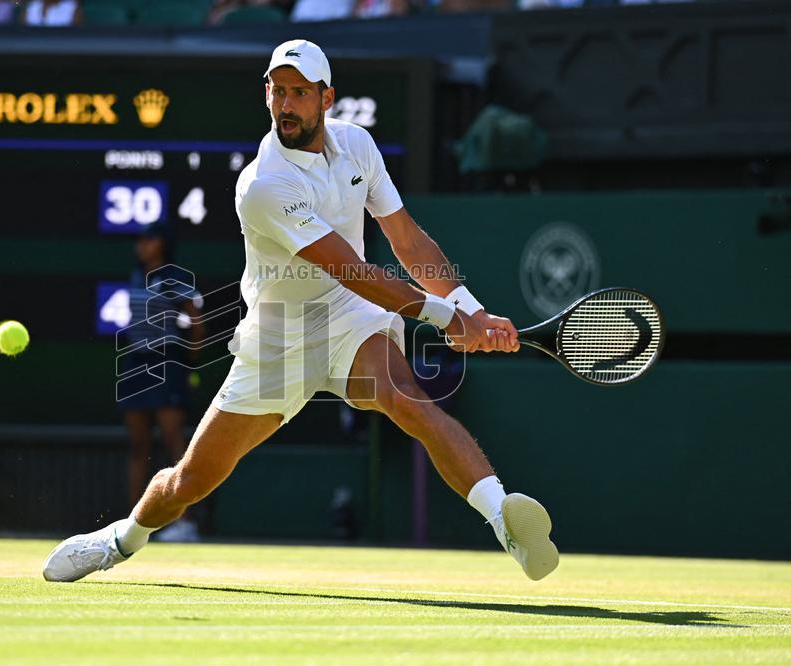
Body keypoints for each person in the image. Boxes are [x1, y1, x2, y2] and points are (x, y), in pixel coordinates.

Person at [43, 39, 559, 583]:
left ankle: (504, 516)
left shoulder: (358, 146)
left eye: (298, 93)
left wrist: (467, 307)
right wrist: (448, 320)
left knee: (412, 403)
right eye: (277, 90)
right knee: (191, 479)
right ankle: (121, 540)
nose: (285, 104)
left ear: (326, 98)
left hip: (351, 317)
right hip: (279, 336)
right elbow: (353, 269)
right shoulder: (264, 184)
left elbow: (406, 240)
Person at [116, 225, 204, 541]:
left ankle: (185, 523)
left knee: (174, 445)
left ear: (162, 244)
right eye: (138, 240)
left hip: (167, 363)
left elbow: (196, 320)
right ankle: (133, 526)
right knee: (139, 446)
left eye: (147, 239)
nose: (141, 246)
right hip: (136, 364)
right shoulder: (134, 275)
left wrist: (190, 361)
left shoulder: (175, 278)